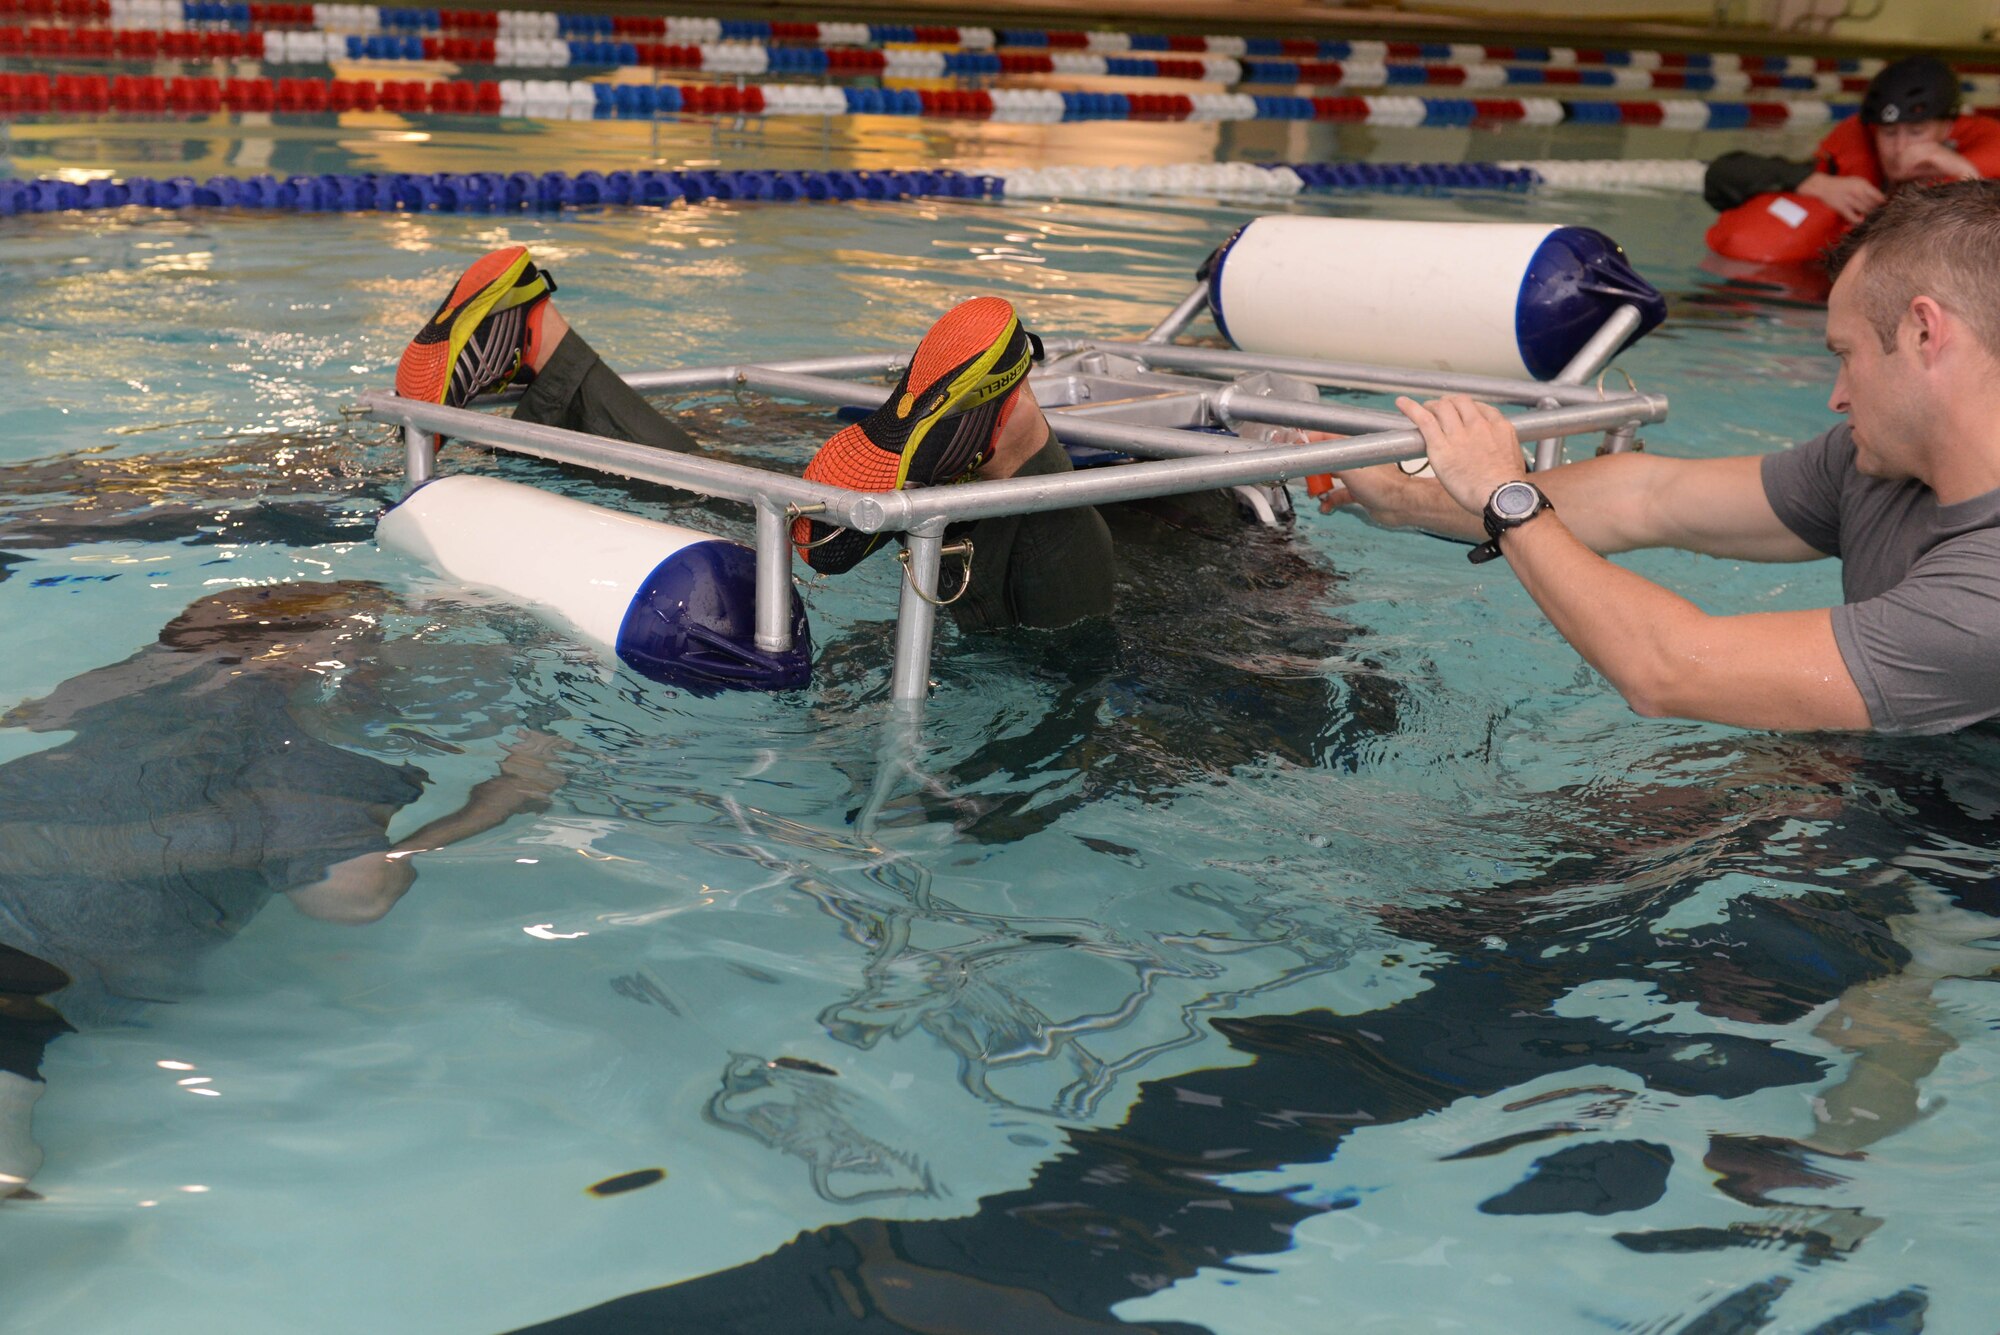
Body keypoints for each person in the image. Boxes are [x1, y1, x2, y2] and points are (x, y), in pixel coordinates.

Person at [1320, 178, 2000, 738]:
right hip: (1884, 763)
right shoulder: (1879, 465)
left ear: (1922, 333)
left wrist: (1507, 493)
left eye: (1845, 356)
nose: (1836, 396)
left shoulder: (1988, 596)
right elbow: (1645, 496)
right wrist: (1403, 500)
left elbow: (1668, 671)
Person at [0, 581, 567, 1199]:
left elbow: (39, 713)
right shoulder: (309, 762)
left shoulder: (132, 686)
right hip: (35, 973)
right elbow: (356, 900)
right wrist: (497, 804)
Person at [394, 247, 1115, 636]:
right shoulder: (1072, 543)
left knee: (720, 490)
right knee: (728, 505)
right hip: (1028, 533)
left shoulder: (1070, 539)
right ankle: (995, 435)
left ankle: (541, 339)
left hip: (1000, 503)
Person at [1705, 55, 2000, 224]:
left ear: (1948, 128)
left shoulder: (1975, 168)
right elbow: (1720, 179)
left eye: (1916, 132)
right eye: (1889, 133)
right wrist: (1816, 183)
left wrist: (1967, 175)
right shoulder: (1848, 169)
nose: (1900, 149)